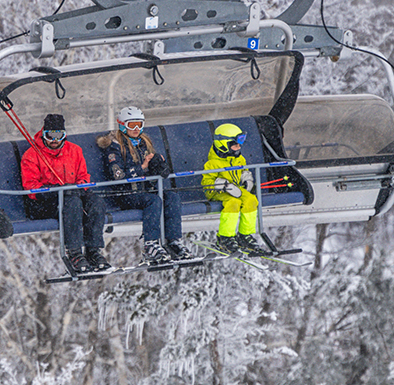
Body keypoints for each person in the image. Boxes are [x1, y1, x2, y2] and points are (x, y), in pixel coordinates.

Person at [97, 105, 191, 265]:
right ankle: (151, 244)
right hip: (126, 195)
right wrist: (142, 168)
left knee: (171, 197)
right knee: (153, 201)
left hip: (146, 191)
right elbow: (117, 176)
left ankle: (173, 241)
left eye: (139, 125)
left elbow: (154, 172)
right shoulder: (114, 147)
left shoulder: (144, 144)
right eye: (131, 125)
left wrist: (159, 166)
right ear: (122, 125)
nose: (136, 129)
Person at [21, 113, 110, 274]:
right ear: (43, 134)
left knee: (96, 202)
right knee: (72, 203)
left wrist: (78, 188)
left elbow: (83, 177)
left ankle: (93, 250)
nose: (54, 140)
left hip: (73, 195)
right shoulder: (32, 155)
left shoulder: (74, 151)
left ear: (64, 135)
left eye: (58, 135)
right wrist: (54, 191)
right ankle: (75, 252)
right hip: (45, 203)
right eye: (50, 136)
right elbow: (31, 187)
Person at [201, 122, 269, 256]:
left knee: (251, 200)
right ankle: (225, 238)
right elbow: (207, 183)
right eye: (235, 145)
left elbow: (243, 170)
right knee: (233, 203)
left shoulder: (239, 159)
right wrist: (225, 186)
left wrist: (247, 178)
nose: (238, 147)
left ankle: (244, 235)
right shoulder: (212, 163)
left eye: (239, 145)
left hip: (236, 189)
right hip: (218, 193)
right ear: (223, 145)